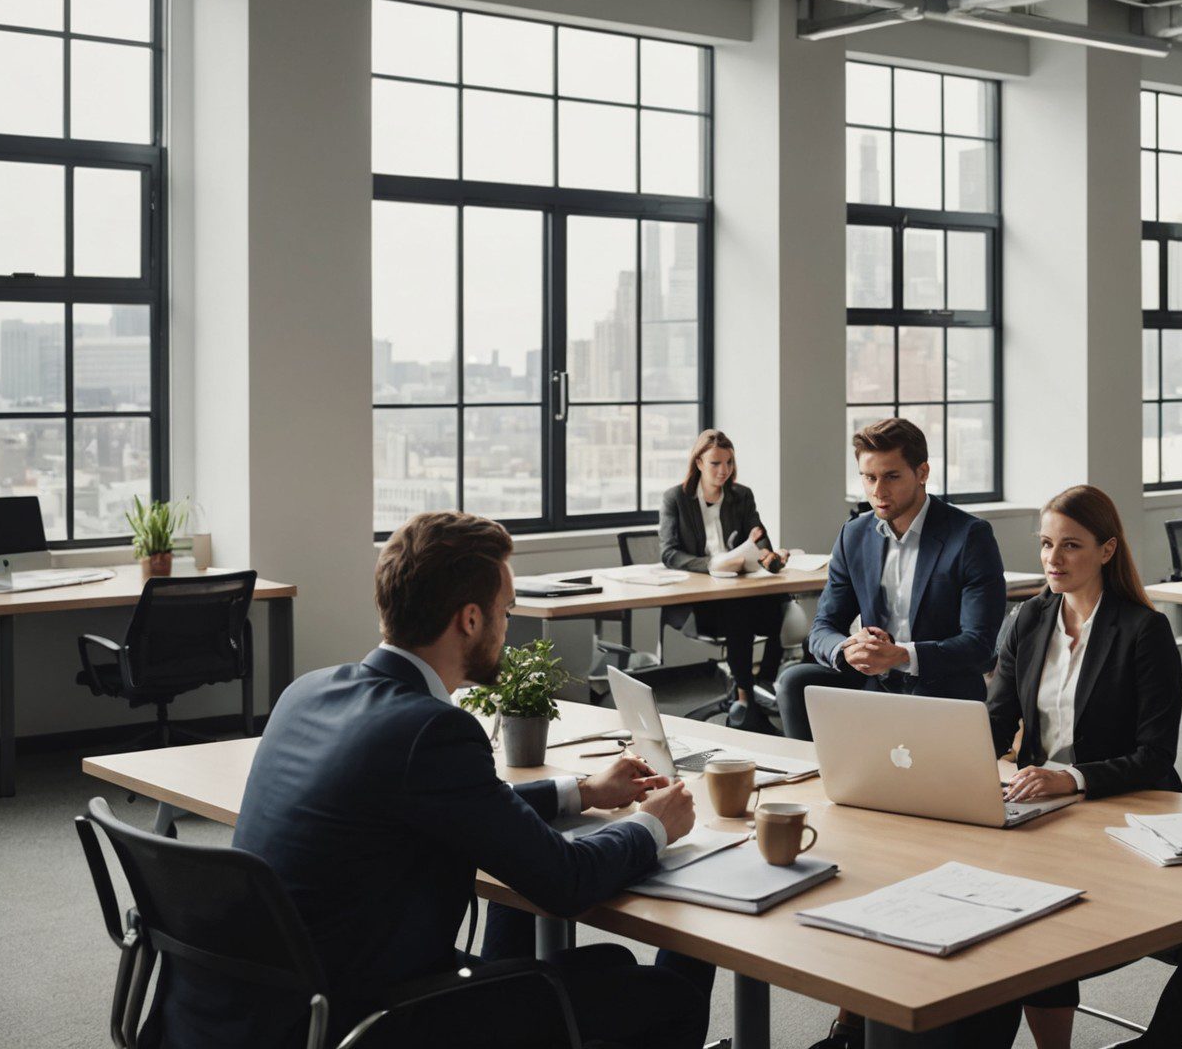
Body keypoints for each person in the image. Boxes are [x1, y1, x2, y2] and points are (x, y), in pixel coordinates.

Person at [154, 511, 713, 1048]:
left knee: (606, 967)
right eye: (504, 609)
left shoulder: (308, 691)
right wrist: (651, 826)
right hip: (375, 1019)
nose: (506, 625)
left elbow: (455, 805)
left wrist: (580, 791)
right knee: (666, 995)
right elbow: (564, 882)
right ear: (469, 619)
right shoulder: (432, 730)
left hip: (270, 1007)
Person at [987, 485, 1182, 1049]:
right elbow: (996, 724)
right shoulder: (1029, 619)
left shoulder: (1144, 631)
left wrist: (1069, 777)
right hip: (1036, 807)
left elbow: (1155, 758)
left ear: (1106, 550)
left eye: (1070, 545)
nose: (1053, 559)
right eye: (1046, 544)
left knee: (1039, 922)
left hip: (1121, 810)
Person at [774, 416, 1007, 742]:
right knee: (795, 681)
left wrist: (902, 654)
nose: (878, 490)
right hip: (872, 680)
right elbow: (822, 630)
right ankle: (812, 782)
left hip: (939, 685)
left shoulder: (969, 537)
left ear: (922, 473)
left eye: (891, 477)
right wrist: (847, 649)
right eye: (869, 478)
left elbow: (980, 646)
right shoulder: (853, 535)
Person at [658, 428, 791, 734]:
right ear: (699, 463)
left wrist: (772, 557)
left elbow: (760, 541)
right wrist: (715, 564)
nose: (724, 470)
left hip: (742, 591)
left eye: (729, 463)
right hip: (702, 602)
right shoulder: (676, 498)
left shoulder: (740, 496)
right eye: (716, 463)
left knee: (784, 603)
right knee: (738, 613)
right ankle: (746, 700)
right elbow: (669, 554)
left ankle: (761, 683)